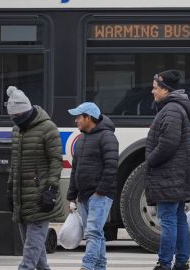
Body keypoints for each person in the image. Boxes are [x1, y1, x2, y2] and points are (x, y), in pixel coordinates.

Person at [144, 70, 190, 270]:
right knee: (178, 219)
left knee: (168, 220)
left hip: (169, 176)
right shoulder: (175, 109)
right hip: (176, 175)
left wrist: (150, 160)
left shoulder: (170, 110)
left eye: (155, 88)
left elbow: (168, 143)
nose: (152, 92)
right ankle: (181, 261)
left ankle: (164, 263)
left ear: (165, 89)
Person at [5, 86, 63, 270]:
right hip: (21, 197)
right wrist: (10, 189)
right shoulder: (17, 130)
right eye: (12, 118)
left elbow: (56, 161)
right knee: (34, 246)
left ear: (25, 111)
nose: (15, 121)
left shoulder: (48, 128)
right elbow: (14, 163)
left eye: (17, 117)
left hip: (41, 196)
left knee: (31, 245)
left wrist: (51, 189)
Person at [66, 101, 119, 270]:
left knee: (93, 232)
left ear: (88, 118)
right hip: (83, 196)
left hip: (100, 195)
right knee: (97, 233)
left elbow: (112, 167)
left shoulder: (107, 137)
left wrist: (100, 192)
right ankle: (100, 267)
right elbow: (76, 169)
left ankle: (87, 266)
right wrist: (71, 196)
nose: (76, 121)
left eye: (78, 117)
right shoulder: (81, 139)